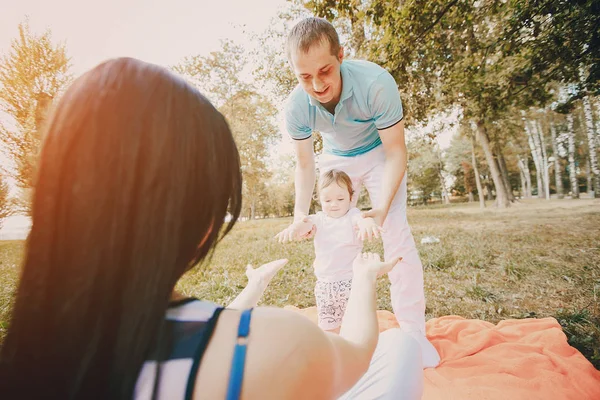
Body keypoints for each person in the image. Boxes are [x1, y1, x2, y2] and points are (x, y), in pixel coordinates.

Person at [0, 58, 424, 400]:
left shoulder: (28, 359)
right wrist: (365, 278)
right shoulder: (277, 345)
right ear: (202, 220)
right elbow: (354, 353)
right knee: (401, 347)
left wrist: (253, 291)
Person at [278, 17, 440, 368]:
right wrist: (299, 215)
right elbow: (306, 165)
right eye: (305, 76)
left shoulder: (376, 82)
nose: (318, 85)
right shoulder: (295, 108)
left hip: (380, 152)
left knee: (395, 232)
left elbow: (396, 151)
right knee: (334, 230)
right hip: (338, 157)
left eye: (325, 71)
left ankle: (414, 334)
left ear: (340, 55)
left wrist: (380, 209)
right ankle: (347, 329)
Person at [277, 169, 382, 333]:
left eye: (340, 199)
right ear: (320, 200)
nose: (334, 204)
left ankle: (357, 352)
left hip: (352, 283)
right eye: (327, 200)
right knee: (329, 329)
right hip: (325, 286)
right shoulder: (319, 219)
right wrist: (294, 228)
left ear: (351, 198)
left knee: (358, 327)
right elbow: (305, 224)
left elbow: (362, 219)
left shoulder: (352, 215)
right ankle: (334, 353)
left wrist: (367, 223)